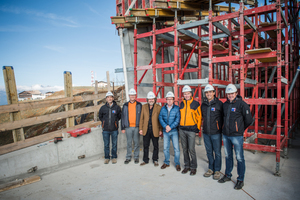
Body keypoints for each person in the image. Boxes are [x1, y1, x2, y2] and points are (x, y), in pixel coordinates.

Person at [218, 84, 253, 190]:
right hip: (226, 135)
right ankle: (228, 175)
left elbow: (249, 120)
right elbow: (222, 119)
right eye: (228, 94)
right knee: (228, 156)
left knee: (239, 158)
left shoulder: (242, 104)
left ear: (236, 93)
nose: (230, 95)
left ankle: (240, 179)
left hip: (236, 136)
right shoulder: (225, 105)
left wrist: (240, 129)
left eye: (232, 93)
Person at [201, 84, 223, 180]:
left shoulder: (219, 104)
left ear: (214, 93)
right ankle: (211, 168)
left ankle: (217, 170)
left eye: (210, 92)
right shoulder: (204, 105)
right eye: (207, 92)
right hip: (206, 132)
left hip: (216, 133)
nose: (208, 94)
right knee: (209, 152)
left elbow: (223, 118)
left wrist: (220, 128)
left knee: (217, 152)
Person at [179, 85, 202, 176]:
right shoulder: (181, 104)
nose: (186, 95)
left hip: (191, 130)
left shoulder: (195, 104)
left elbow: (199, 117)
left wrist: (197, 129)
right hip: (182, 129)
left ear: (191, 94)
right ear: (183, 95)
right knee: (184, 149)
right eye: (185, 94)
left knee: (191, 149)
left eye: (188, 93)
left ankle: (193, 167)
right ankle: (187, 166)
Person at [158, 91, 181, 171]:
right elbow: (160, 118)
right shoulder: (163, 108)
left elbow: (177, 120)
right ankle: (166, 162)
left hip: (174, 131)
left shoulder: (177, 108)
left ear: (173, 100)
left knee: (176, 148)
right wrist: (165, 126)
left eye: (171, 99)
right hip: (166, 131)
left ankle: (177, 163)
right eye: (168, 99)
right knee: (165, 148)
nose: (169, 101)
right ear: (166, 100)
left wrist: (170, 127)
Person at [139, 91, 162, 167]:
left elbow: (160, 119)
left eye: (152, 99)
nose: (151, 100)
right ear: (147, 100)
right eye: (149, 99)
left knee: (155, 145)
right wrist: (140, 129)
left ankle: (155, 160)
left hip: (155, 129)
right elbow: (141, 119)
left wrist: (160, 130)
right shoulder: (144, 107)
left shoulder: (158, 107)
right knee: (146, 145)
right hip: (146, 129)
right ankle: (145, 160)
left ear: (155, 99)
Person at [99, 91, 121, 164]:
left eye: (111, 97)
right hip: (105, 130)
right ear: (106, 99)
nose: (109, 99)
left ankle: (114, 157)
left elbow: (119, 117)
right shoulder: (103, 108)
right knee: (106, 144)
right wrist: (104, 123)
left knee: (114, 144)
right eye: (108, 97)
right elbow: (100, 117)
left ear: (113, 98)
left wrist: (115, 123)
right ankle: (107, 157)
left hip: (114, 129)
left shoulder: (117, 107)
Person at [121, 88, 142, 164]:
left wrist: (141, 128)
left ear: (135, 96)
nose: (132, 96)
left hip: (137, 127)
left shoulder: (139, 105)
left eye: (133, 95)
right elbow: (123, 117)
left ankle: (136, 157)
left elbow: (142, 117)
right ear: (129, 96)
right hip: (128, 127)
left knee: (136, 143)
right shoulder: (125, 105)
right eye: (131, 95)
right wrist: (122, 127)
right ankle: (128, 157)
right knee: (129, 142)